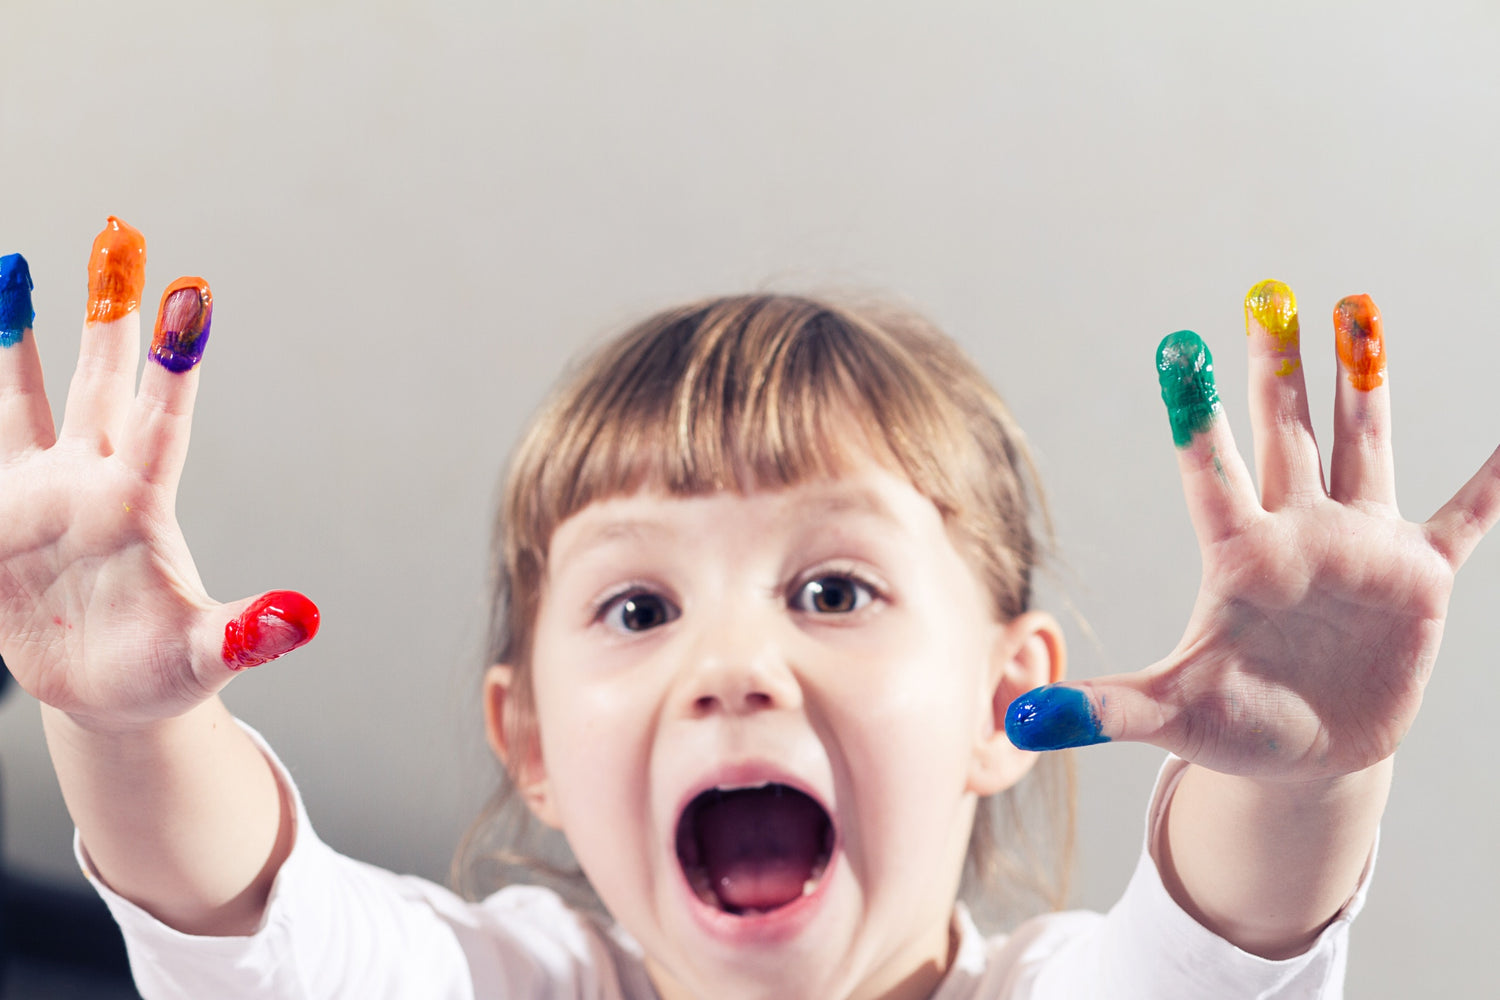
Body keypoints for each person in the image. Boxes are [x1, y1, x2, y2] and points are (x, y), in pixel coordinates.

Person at [1, 220, 1496, 1000]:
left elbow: (1216, 965)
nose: (732, 667)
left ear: (1006, 697)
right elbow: (261, 939)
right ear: (523, 737)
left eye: (832, 589)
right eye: (640, 606)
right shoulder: (508, 985)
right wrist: (120, 721)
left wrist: (1309, 776)